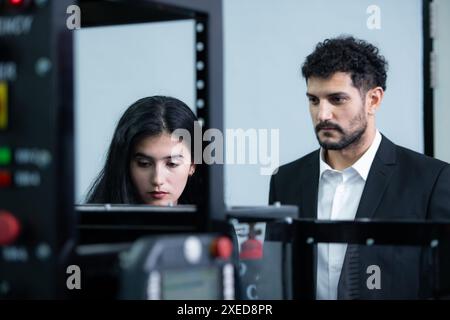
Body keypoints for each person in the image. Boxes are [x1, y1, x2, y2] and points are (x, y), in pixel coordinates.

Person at [269, 36, 450, 299]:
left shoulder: (432, 181)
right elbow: (275, 281)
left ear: (373, 100)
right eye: (314, 100)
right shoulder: (285, 179)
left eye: (337, 99)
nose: (322, 114)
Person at [86, 96, 201, 206]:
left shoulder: (212, 223)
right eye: (144, 164)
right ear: (125, 163)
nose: (157, 180)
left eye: (172, 164)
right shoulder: (91, 225)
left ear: (192, 165)